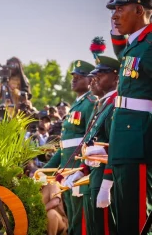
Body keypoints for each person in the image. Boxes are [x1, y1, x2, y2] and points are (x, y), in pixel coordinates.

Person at [105, 0, 152, 234]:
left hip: (140, 142)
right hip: (124, 141)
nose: (114, 15)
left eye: (120, 9)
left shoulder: (149, 45)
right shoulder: (133, 46)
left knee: (136, 221)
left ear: (139, 10)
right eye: (113, 9)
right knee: (125, 221)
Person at [65, 55, 120, 235]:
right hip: (93, 175)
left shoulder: (114, 104)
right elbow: (90, 142)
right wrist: (81, 170)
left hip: (104, 177)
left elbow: (115, 147)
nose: (95, 79)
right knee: (93, 228)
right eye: (95, 74)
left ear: (116, 78)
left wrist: (106, 183)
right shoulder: (102, 105)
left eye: (101, 74)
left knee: (103, 229)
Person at [44, 60, 97, 235]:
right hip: (67, 172)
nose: (74, 79)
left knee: (81, 221)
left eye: (79, 77)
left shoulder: (91, 103)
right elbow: (64, 147)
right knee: (73, 219)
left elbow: (91, 138)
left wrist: (81, 170)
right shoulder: (78, 104)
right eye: (73, 76)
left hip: (80, 172)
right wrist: (45, 171)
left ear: (90, 80)